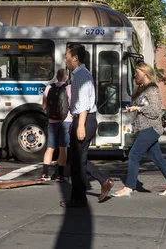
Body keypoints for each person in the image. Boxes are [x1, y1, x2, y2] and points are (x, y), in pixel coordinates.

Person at [111, 63, 166, 197]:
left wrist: (138, 109)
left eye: (137, 73)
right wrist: (134, 102)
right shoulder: (143, 89)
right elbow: (135, 102)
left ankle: (128, 187)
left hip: (151, 128)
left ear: (145, 73)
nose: (135, 75)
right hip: (144, 128)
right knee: (157, 157)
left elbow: (155, 111)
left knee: (133, 155)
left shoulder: (152, 89)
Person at [60, 43, 114, 208]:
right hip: (82, 119)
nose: (65, 59)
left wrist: (80, 125)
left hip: (85, 119)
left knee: (78, 162)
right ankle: (101, 182)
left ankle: (79, 199)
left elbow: (83, 103)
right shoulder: (79, 74)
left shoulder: (81, 75)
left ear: (75, 58)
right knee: (78, 160)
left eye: (67, 56)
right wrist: (75, 121)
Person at [41, 69, 72, 182]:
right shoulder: (69, 88)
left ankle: (44, 174)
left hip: (52, 121)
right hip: (66, 121)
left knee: (50, 148)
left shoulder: (49, 87)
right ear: (66, 77)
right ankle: (60, 175)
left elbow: (44, 106)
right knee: (63, 149)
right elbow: (72, 105)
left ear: (57, 77)